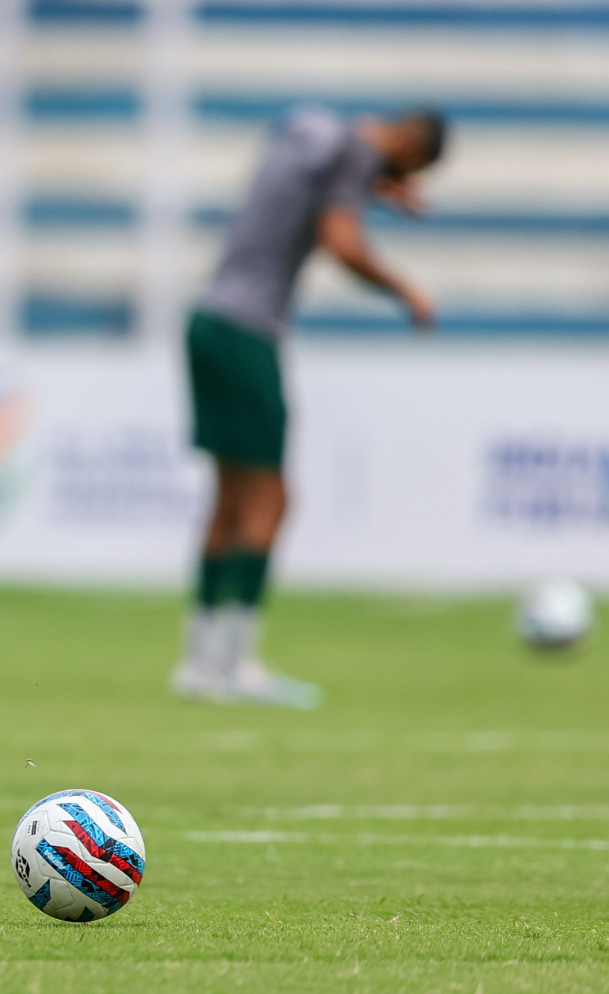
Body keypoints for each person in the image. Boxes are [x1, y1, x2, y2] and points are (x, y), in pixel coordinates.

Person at [172, 105, 447, 708]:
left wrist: (379, 185)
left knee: (230, 497)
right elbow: (341, 242)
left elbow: (316, 174)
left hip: (208, 319)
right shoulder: (355, 156)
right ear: (406, 149)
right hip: (250, 331)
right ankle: (237, 663)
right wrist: (407, 291)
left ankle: (200, 662)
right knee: (272, 495)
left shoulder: (310, 130)